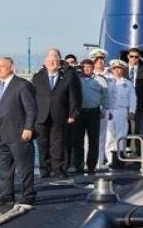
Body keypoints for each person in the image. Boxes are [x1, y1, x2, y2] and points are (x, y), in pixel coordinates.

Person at [0, 57, 37, 205]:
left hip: (19, 133)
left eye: (1, 66)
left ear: (11, 67)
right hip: (0, 134)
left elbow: (31, 109)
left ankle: (28, 195)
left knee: (24, 168)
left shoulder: (22, 85)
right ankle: (7, 194)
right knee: (5, 169)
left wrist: (28, 127)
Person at [31, 49, 81, 179]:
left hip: (60, 115)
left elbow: (73, 97)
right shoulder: (37, 78)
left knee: (58, 144)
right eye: (49, 59)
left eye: (55, 59)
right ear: (45, 62)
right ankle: (44, 169)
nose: (52, 62)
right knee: (42, 144)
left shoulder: (68, 77)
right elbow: (32, 98)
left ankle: (57, 169)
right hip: (41, 116)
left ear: (59, 62)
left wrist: (72, 114)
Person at [73, 58, 108, 173]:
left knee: (94, 140)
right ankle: (79, 166)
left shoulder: (100, 80)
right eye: (84, 67)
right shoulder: (76, 80)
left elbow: (105, 96)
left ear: (93, 68)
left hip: (94, 112)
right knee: (78, 141)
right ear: (81, 68)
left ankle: (91, 166)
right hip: (80, 112)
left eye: (89, 67)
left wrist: (104, 109)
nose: (87, 69)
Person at [105, 59, 137, 168]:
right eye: (115, 69)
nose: (117, 71)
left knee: (121, 136)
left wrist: (132, 111)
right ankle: (109, 159)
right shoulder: (108, 81)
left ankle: (119, 158)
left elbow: (133, 98)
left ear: (123, 70)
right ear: (112, 70)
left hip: (122, 111)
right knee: (109, 136)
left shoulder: (127, 84)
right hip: (109, 110)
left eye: (120, 69)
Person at [87, 48, 111, 170]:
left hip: (105, 111)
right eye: (97, 60)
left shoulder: (110, 76)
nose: (100, 62)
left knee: (102, 137)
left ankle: (99, 162)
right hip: (92, 110)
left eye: (102, 60)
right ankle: (88, 162)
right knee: (89, 138)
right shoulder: (89, 76)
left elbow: (110, 95)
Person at [127, 47, 143, 154]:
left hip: (138, 105)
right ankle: (117, 153)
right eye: (131, 56)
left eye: (136, 57)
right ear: (128, 57)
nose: (134, 59)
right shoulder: (122, 70)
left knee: (135, 130)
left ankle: (134, 154)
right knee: (121, 130)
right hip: (122, 105)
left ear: (139, 58)